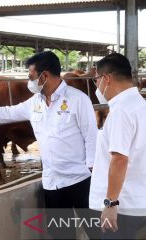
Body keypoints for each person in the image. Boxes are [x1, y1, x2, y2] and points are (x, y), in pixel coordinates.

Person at [0, 51, 98, 238]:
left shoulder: (78, 100)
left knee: (96, 231)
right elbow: (9, 112)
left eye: (31, 76)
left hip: (80, 179)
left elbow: (91, 137)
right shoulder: (35, 102)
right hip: (52, 182)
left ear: (44, 76)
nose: (29, 81)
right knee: (61, 234)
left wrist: (93, 170)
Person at [89, 53, 146, 239]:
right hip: (138, 198)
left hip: (123, 206)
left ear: (106, 79)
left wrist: (110, 204)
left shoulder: (121, 111)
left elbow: (119, 159)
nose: (96, 86)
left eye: (96, 80)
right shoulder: (140, 104)